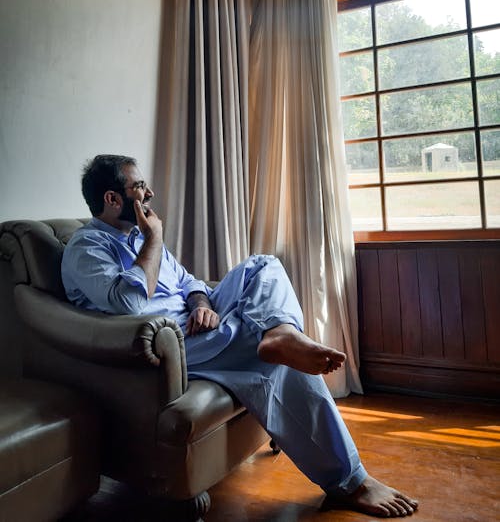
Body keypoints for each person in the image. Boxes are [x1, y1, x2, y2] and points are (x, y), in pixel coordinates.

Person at [62, 154, 419, 519]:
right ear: (112, 199)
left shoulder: (140, 234)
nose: (149, 192)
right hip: (169, 345)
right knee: (270, 362)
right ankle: (351, 481)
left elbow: (190, 283)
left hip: (197, 324)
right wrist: (154, 239)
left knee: (263, 265)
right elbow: (131, 304)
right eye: (139, 187)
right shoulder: (87, 248)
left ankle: (279, 332)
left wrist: (203, 303)